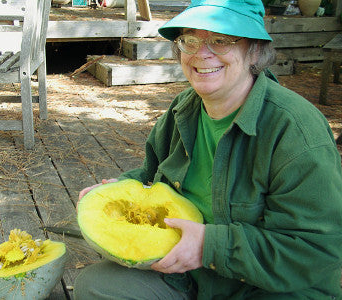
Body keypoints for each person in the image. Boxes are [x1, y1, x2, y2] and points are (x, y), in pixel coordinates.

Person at [74, 0, 342, 298]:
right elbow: (152, 176)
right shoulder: (183, 110)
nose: (201, 53)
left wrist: (208, 247)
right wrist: (123, 188)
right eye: (190, 40)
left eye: (220, 40)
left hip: (268, 289)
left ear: (254, 50)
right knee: (96, 286)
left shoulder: (295, 129)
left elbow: (316, 250)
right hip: (192, 279)